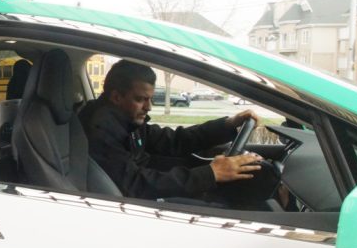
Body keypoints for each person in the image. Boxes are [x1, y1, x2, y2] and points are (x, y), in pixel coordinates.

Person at [79, 59, 263, 202]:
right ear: (117, 96)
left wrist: (228, 124)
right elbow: (134, 184)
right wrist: (210, 174)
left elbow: (174, 140)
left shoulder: (126, 121)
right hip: (139, 202)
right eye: (141, 99)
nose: (149, 107)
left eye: (150, 99)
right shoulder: (100, 130)